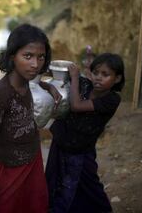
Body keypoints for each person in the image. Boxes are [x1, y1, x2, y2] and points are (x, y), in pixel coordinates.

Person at [0, 24, 62, 213]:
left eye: (41, 57)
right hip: (9, 167)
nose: (35, 64)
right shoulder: (2, 93)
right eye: (28, 56)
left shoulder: (26, 80)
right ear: (12, 57)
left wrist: (48, 86)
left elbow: (35, 80)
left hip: (32, 159)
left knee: (33, 205)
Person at [46, 53, 125, 212]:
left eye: (105, 74)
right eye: (96, 73)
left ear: (117, 78)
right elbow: (55, 78)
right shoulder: (85, 84)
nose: (98, 78)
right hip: (60, 144)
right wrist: (48, 82)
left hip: (81, 151)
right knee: (54, 183)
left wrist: (75, 77)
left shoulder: (112, 99)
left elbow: (76, 106)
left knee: (90, 188)